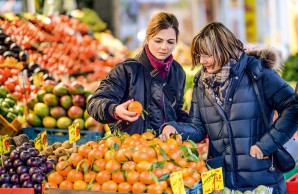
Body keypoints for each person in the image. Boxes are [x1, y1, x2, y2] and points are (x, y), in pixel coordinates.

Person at [159, 22, 298, 193]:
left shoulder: (258, 74)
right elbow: (198, 127)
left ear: (223, 49)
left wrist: (266, 144)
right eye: (199, 56)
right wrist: (176, 129)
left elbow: (293, 107)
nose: (202, 61)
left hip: (262, 178)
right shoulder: (201, 83)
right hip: (221, 183)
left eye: (207, 55)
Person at [87, 11, 188, 135]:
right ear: (148, 37)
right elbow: (95, 103)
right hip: (133, 149)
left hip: (167, 149)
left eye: (170, 42)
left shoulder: (178, 72)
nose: (164, 47)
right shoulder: (126, 70)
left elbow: (176, 111)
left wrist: (190, 125)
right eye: (158, 41)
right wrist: (114, 109)